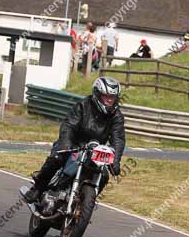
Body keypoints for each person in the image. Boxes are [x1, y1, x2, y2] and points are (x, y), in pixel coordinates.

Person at [24, 76, 125, 204]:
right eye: (106, 96)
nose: (109, 100)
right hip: (74, 144)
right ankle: (37, 188)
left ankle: (85, 203)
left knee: (104, 175)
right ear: (97, 94)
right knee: (57, 158)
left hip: (95, 150)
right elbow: (69, 125)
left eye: (112, 97)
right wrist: (66, 144)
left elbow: (118, 139)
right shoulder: (83, 106)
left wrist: (115, 161)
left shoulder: (117, 116)